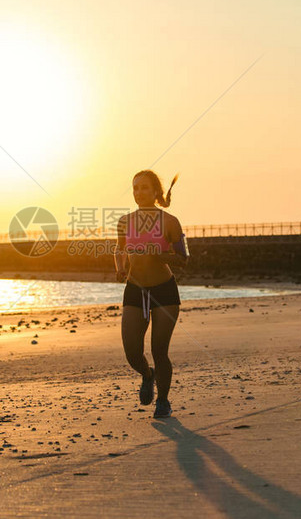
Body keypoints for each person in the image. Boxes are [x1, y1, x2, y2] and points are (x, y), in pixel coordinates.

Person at [115, 170, 189, 418]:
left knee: (159, 350)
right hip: (135, 289)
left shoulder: (170, 222)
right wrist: (120, 268)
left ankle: (164, 401)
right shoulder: (125, 221)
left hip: (163, 290)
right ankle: (147, 375)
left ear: (156, 191)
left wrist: (161, 255)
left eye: (144, 187)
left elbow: (184, 258)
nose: (139, 193)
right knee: (132, 352)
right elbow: (119, 250)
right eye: (135, 188)